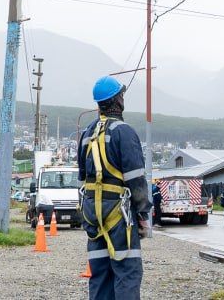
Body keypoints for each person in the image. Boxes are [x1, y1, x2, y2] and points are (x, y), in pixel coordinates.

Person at [79, 76, 151, 299]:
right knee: (127, 273)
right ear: (118, 100)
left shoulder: (86, 135)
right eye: (122, 94)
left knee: (100, 275)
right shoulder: (124, 132)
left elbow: (83, 179)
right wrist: (142, 214)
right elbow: (136, 179)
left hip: (93, 216)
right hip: (119, 217)